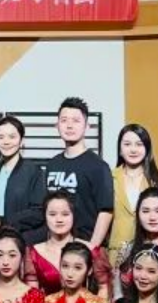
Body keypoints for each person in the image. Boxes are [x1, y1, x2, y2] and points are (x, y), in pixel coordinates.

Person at [31, 97, 114, 248]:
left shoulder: (98, 167)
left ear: (87, 126)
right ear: (57, 125)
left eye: (76, 120)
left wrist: (92, 247)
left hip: (83, 247)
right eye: (64, 120)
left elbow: (106, 211)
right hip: (55, 245)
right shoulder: (52, 164)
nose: (69, 126)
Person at [29, 190, 112, 298]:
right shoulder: (34, 252)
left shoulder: (91, 250)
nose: (59, 220)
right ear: (45, 216)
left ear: (74, 215)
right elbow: (33, 295)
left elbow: (104, 288)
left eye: (65, 214)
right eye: (52, 214)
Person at [110, 123, 158, 259]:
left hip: (152, 251)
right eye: (127, 144)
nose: (133, 149)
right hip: (116, 252)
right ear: (120, 149)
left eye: (139, 144)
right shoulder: (109, 178)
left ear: (147, 148)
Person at [0, 115, 44, 239]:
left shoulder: (33, 171)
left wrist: (3, 220)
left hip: (20, 240)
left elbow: (39, 212)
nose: (6, 142)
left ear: (22, 140)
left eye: (12, 137)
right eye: (0, 137)